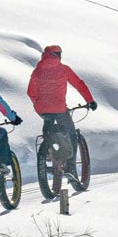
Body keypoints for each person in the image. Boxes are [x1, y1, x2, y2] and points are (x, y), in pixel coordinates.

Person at [27, 46, 96, 183]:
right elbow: (79, 84)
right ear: (58, 55)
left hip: (42, 109)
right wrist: (90, 101)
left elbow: (31, 92)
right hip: (59, 109)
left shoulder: (37, 71)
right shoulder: (64, 69)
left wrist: (39, 104)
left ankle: (47, 150)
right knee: (71, 134)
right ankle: (70, 167)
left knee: (48, 129)